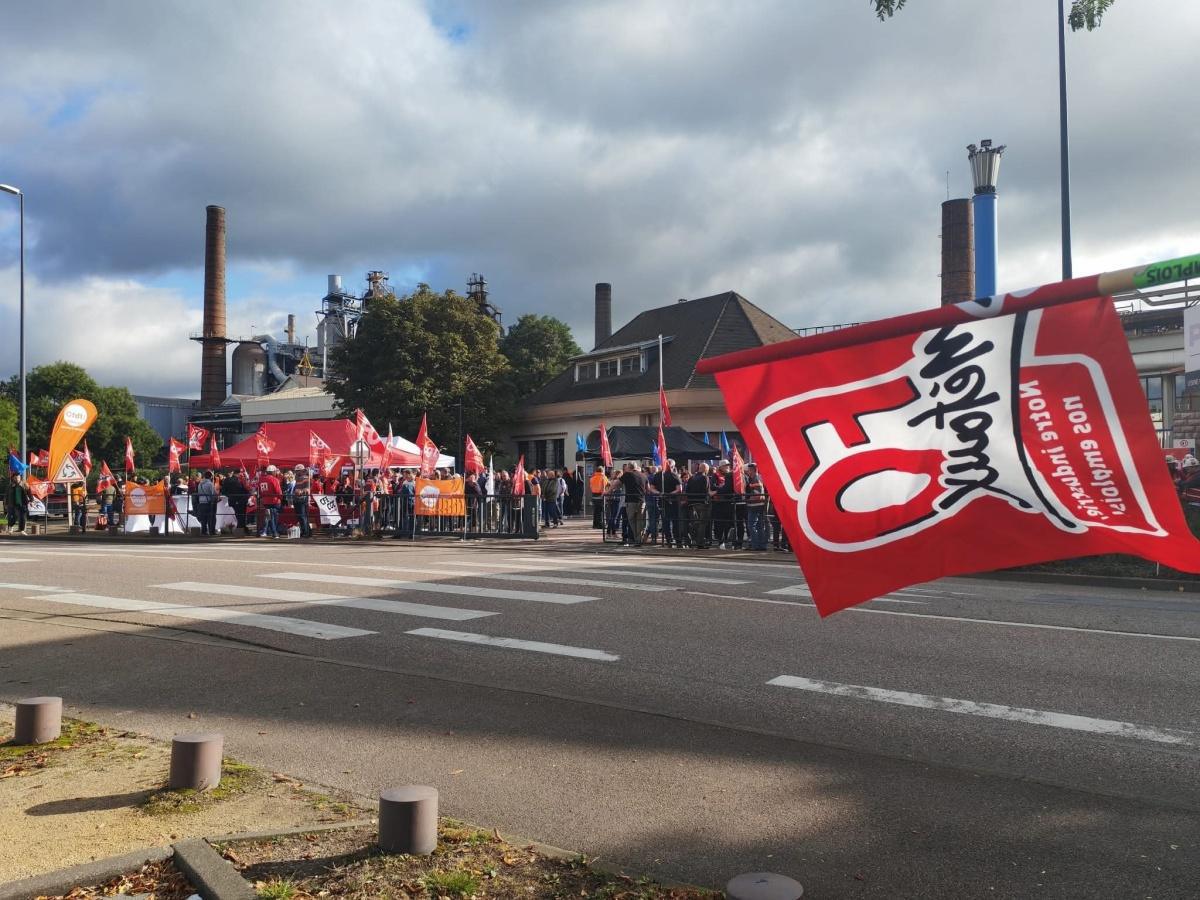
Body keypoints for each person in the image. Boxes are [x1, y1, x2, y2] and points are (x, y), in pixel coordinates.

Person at [619, 462, 648, 546]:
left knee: (631, 520)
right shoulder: (643, 475)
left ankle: (636, 538)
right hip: (642, 500)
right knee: (640, 520)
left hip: (631, 501)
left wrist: (608, 491)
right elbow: (648, 488)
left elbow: (617, 483)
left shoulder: (627, 475)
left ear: (629, 468)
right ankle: (639, 539)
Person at [685, 463, 713, 549]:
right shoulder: (705, 477)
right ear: (705, 469)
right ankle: (700, 543)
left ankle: (694, 539)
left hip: (692, 503)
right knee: (702, 523)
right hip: (702, 503)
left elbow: (687, 490)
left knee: (695, 523)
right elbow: (707, 490)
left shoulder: (691, 478)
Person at [743, 462, 768, 550]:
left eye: (749, 470)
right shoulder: (757, 478)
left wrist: (746, 499)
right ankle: (761, 545)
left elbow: (757, 494)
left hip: (754, 505)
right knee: (759, 526)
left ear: (752, 470)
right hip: (759, 505)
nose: (747, 472)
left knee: (751, 525)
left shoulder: (755, 479)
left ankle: (755, 545)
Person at [258, 465, 283, 538]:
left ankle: (267, 531)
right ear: (273, 472)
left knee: (268, 517)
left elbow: (260, 490)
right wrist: (281, 498)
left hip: (265, 501)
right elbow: (278, 491)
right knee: (273, 518)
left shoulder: (261, 479)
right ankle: (274, 532)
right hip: (274, 501)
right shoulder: (274, 479)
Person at [196, 469, 218, 535]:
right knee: (211, 518)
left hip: (201, 503)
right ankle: (212, 531)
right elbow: (213, 494)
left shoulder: (200, 484)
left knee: (203, 519)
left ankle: (203, 531)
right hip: (208, 503)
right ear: (211, 476)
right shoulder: (210, 484)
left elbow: (199, 492)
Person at [293, 464, 312, 538]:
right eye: (296, 471)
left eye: (298, 471)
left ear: (302, 470)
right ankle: (306, 531)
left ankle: (305, 532)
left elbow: (307, 490)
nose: (297, 472)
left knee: (302, 516)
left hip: (302, 499)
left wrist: (299, 491)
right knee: (301, 516)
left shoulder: (305, 478)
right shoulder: (298, 478)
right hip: (298, 499)